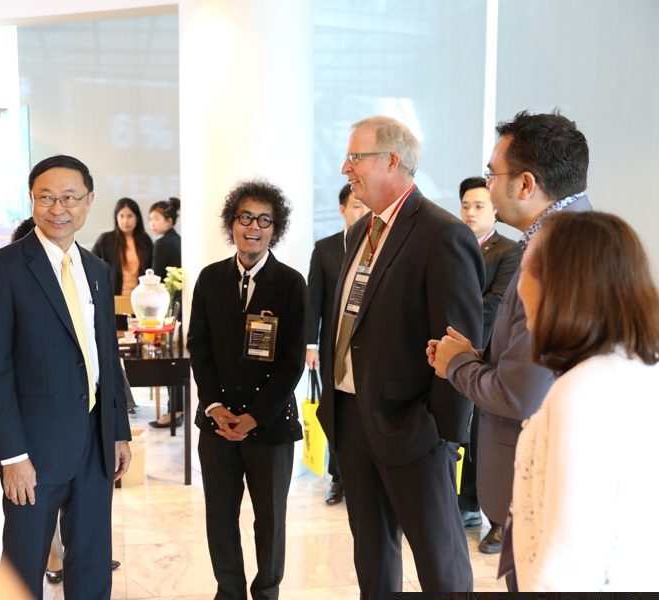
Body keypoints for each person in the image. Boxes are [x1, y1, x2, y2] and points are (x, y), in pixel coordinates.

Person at [315, 115, 484, 597]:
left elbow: (459, 340)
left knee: (439, 559)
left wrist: (441, 433)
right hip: (352, 416)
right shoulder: (359, 233)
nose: (345, 168)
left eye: (355, 157)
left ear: (392, 160)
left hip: (413, 427)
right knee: (372, 554)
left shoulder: (441, 234)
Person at [427, 111, 593, 578]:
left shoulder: (557, 252)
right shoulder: (570, 235)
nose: (487, 186)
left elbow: (522, 393)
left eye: (491, 174)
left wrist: (458, 366)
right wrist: (478, 357)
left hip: (542, 488)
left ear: (525, 183)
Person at [0, 155, 132, 600]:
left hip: (95, 443)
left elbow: (106, 357)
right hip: (34, 450)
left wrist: (118, 431)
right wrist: (12, 455)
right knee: (24, 567)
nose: (58, 208)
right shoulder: (1, 269)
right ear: (32, 200)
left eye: (69, 198)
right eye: (46, 197)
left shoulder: (97, 270)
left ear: (89, 201)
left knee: (92, 562)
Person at [509, 211, 659, 591]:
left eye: (525, 270)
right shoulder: (643, 365)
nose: (518, 287)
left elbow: (567, 566)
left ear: (561, 284)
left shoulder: (585, 390)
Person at [187, 179, 307, 600]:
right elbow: (199, 348)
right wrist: (214, 406)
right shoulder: (210, 279)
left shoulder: (291, 284)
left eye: (264, 220)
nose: (253, 226)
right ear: (231, 224)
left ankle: (267, 591)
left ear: (275, 229)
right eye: (245, 217)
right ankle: (230, 591)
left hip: (270, 426)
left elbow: (292, 361)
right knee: (219, 517)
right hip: (217, 425)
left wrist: (256, 415)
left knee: (270, 519)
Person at [455, 176, 522, 535]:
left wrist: (449, 326)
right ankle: (465, 506)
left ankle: (497, 519)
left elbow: (494, 304)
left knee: (484, 437)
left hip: (486, 354)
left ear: (495, 210)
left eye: (479, 206)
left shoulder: (510, 251)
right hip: (452, 355)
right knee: (459, 432)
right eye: (465, 205)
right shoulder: (452, 245)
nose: (470, 212)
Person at [305, 183, 367, 505]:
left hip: (368, 348)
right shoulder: (325, 248)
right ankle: (338, 477)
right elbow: (313, 300)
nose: (362, 211)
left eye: (365, 205)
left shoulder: (379, 246)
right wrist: (311, 345)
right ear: (343, 210)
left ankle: (364, 477)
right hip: (333, 348)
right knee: (335, 413)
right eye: (356, 205)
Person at [147, 197, 183, 429]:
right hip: (180, 306)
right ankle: (177, 409)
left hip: (169, 308)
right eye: (150, 219)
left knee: (170, 361)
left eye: (156, 219)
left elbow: (156, 278)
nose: (152, 223)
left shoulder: (162, 243)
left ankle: (174, 411)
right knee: (177, 360)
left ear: (169, 221)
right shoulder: (177, 240)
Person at [92, 197, 153, 296]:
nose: (125, 221)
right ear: (116, 217)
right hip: (113, 298)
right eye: (121, 216)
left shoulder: (145, 240)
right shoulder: (106, 240)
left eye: (130, 216)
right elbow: (91, 265)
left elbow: (151, 270)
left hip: (140, 298)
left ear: (137, 218)